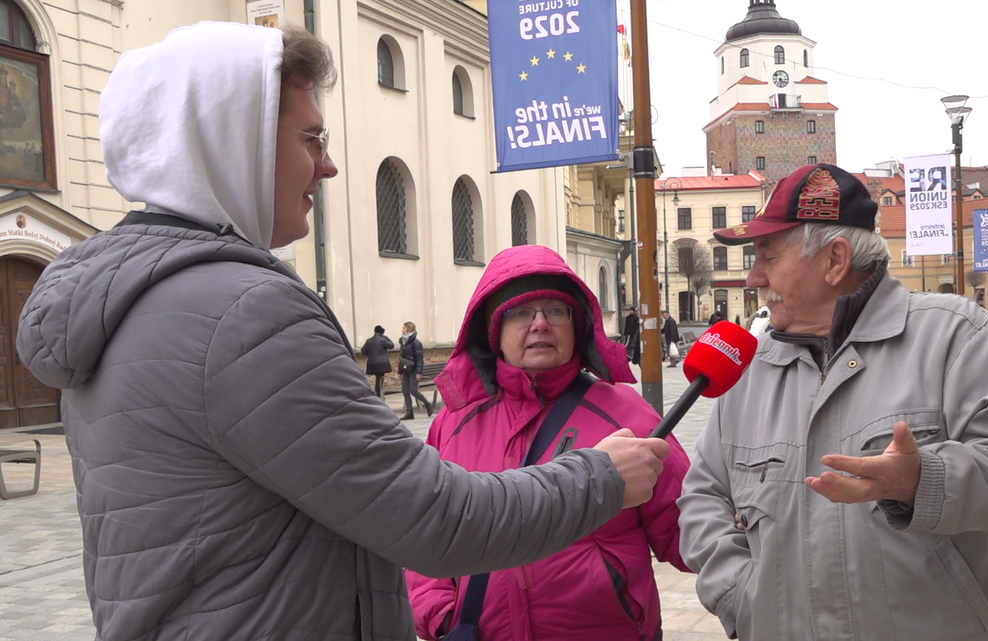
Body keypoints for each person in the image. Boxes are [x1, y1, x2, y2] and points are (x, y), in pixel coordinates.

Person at [15, 23, 671, 641]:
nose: (327, 168)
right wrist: (600, 477)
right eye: (310, 140)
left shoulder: (123, 303)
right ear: (234, 140)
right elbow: (434, 516)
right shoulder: (244, 314)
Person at [678, 163, 988, 641]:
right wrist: (740, 597)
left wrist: (922, 480)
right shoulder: (749, 369)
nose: (753, 278)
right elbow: (702, 497)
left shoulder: (957, 337)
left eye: (767, 256)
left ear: (835, 261)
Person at [406, 245, 691, 641]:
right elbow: (422, 530)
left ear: (577, 325)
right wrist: (439, 615)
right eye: (520, 312)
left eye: (556, 311)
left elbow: (687, 531)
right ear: (493, 330)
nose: (540, 324)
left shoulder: (627, 415)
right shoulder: (452, 423)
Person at [398, 320, 433, 419]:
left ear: (409, 330)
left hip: (413, 369)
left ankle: (427, 404)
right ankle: (409, 412)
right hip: (405, 369)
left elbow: (419, 359)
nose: (402, 330)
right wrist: (399, 372)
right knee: (405, 391)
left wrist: (419, 372)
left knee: (413, 390)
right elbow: (401, 358)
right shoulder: (402, 342)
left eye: (404, 328)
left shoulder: (416, 343)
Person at [362, 324, 395, 395]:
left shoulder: (369, 340)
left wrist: (371, 354)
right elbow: (391, 346)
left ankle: (378, 393)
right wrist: (386, 338)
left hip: (372, 363)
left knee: (378, 378)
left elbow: (363, 351)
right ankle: (378, 394)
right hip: (382, 363)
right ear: (382, 332)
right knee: (380, 379)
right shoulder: (383, 340)